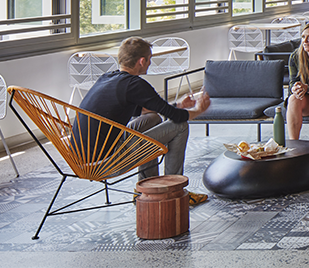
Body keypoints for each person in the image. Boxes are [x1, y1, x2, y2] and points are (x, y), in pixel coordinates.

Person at [78, 37, 211, 205]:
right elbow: (177, 117)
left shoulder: (108, 78)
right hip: (104, 162)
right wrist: (199, 110)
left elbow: (147, 110)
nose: (150, 63)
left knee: (153, 118)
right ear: (142, 61)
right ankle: (174, 189)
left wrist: (178, 105)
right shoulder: (135, 84)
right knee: (180, 126)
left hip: (82, 157)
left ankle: (149, 188)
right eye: (149, 59)